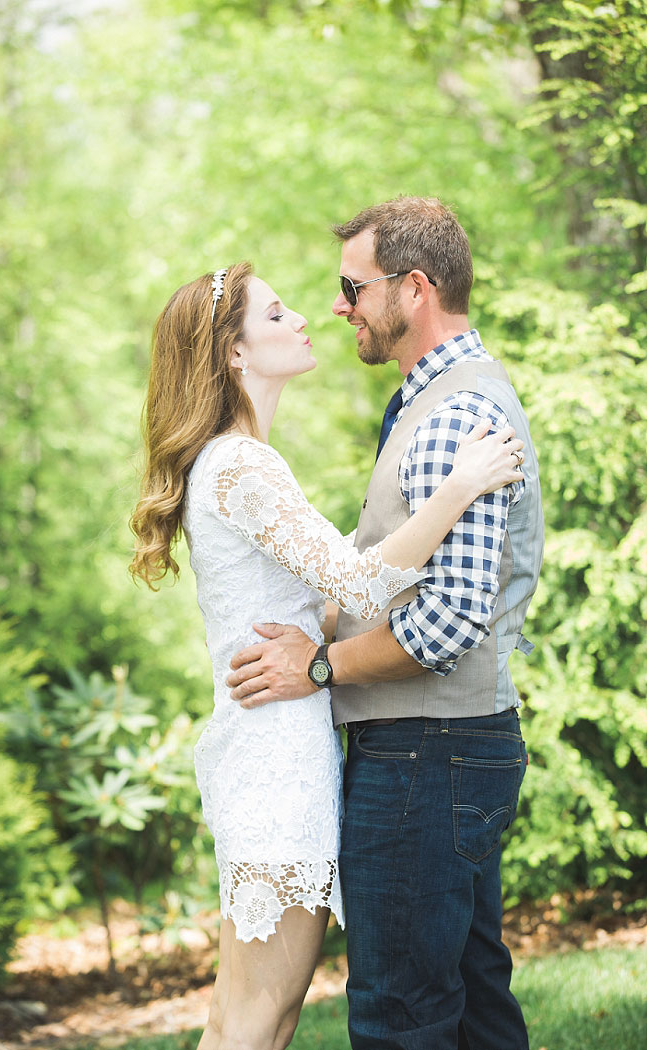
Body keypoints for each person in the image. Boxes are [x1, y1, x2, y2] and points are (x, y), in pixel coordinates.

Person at [129, 259, 525, 1050]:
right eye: (276, 316)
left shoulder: (239, 460)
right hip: (276, 763)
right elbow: (362, 585)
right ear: (234, 354)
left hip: (277, 752)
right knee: (257, 1018)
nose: (308, 317)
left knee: (250, 1014)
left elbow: (329, 590)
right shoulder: (241, 465)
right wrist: (459, 487)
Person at [226, 198, 544, 1050]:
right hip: (440, 754)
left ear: (414, 288)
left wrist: (318, 667)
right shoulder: (434, 402)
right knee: (472, 1008)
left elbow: (443, 626)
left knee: (401, 1016)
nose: (338, 307)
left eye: (350, 287)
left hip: (422, 755)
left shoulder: (449, 419)